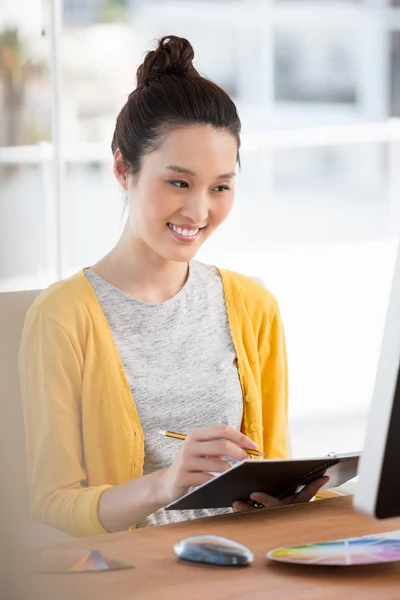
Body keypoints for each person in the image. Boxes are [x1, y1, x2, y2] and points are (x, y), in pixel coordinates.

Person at [18, 36, 327, 538]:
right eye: (179, 183)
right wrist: (165, 485)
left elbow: (274, 460)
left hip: (245, 562)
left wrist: (278, 497)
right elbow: (53, 504)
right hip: (141, 574)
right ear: (123, 168)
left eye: (220, 186)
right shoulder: (63, 317)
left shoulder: (253, 306)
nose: (199, 212)